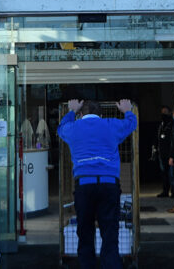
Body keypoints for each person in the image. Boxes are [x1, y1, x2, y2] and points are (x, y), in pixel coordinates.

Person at [58, 98, 137, 269]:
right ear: (101, 114)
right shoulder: (110, 125)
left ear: (80, 114)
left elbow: (60, 129)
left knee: (85, 232)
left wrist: (70, 111)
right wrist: (127, 110)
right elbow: (131, 124)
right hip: (109, 185)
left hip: (84, 186)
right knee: (109, 232)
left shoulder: (73, 128)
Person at [156, 105, 174, 198]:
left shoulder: (172, 124)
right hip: (162, 153)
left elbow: (172, 140)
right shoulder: (162, 124)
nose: (163, 115)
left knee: (171, 174)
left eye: (165, 112)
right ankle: (165, 191)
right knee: (164, 173)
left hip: (169, 153)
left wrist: (172, 154)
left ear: (170, 113)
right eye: (162, 112)